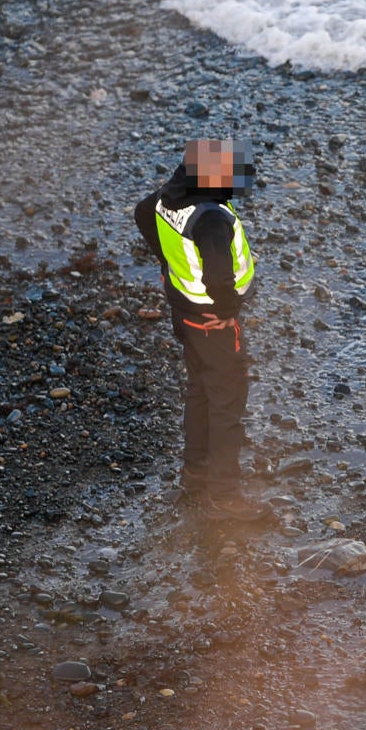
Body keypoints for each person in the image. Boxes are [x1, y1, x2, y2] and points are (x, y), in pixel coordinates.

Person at [133, 138, 260, 520]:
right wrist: (228, 310)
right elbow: (220, 278)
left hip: (184, 313)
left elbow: (142, 214)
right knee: (226, 400)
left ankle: (195, 474)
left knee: (200, 390)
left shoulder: (170, 196)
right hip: (212, 320)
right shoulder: (211, 219)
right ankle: (224, 496)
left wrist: (169, 264)